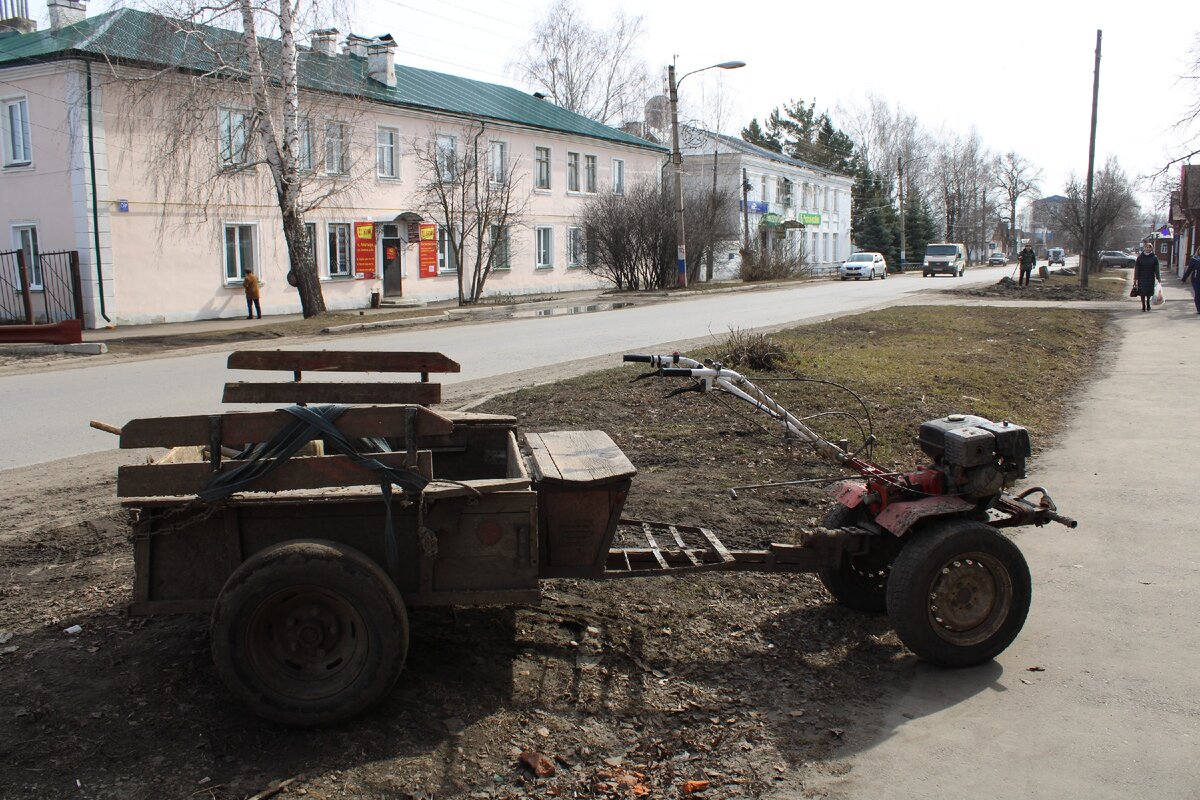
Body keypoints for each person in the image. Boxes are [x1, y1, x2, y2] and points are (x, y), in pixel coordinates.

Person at [1133, 242, 1161, 313]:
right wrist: (1135, 278)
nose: (1147, 248)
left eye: (1149, 247)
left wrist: (1158, 277)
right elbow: (1137, 268)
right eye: (1146, 247)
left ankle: (1148, 303)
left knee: (1148, 291)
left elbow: (1156, 268)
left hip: (1150, 277)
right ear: (1144, 248)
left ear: (1151, 248)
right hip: (1141, 277)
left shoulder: (1154, 258)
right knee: (1142, 292)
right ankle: (1143, 305)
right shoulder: (1140, 257)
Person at [1183, 247, 1200, 314]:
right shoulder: (1194, 259)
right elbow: (1189, 270)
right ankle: (1199, 309)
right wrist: (1184, 279)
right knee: (1198, 294)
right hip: (1196, 280)